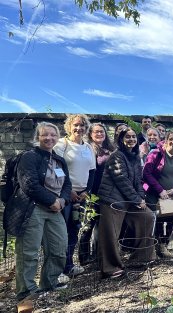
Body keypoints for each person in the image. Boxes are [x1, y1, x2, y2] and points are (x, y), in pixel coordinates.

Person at [14, 122, 72, 301]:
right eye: (44, 135)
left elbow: (67, 185)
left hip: (55, 210)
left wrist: (62, 200)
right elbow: (29, 184)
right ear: (37, 137)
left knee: (59, 248)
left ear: (58, 137)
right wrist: (51, 201)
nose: (49, 138)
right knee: (29, 252)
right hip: (33, 209)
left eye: (53, 135)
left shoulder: (59, 160)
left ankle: (49, 284)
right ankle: (27, 292)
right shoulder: (29, 157)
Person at [97, 127, 155, 278]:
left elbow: (138, 181)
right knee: (111, 233)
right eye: (127, 137)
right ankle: (111, 267)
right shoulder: (116, 156)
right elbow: (121, 180)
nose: (131, 139)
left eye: (133, 137)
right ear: (121, 139)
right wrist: (136, 199)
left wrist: (141, 198)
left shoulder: (135, 157)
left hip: (129, 199)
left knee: (147, 216)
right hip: (112, 199)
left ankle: (142, 256)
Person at [54, 114, 96, 277]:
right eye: (76, 125)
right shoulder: (62, 145)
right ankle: (57, 269)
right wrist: (68, 190)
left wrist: (86, 191)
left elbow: (92, 171)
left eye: (82, 126)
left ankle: (69, 265)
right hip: (65, 195)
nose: (79, 128)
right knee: (61, 230)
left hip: (81, 197)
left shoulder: (88, 148)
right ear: (69, 127)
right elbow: (56, 170)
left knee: (74, 229)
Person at [143, 131, 173, 255]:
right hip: (153, 193)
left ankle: (162, 247)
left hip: (169, 195)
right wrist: (160, 190)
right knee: (153, 220)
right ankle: (149, 249)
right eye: (171, 139)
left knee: (167, 221)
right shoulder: (156, 154)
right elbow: (146, 173)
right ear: (166, 140)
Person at [80, 123, 115, 264]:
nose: (99, 134)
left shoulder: (110, 149)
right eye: (96, 132)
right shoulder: (88, 149)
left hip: (107, 193)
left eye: (102, 131)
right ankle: (83, 257)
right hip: (92, 193)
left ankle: (97, 254)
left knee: (102, 226)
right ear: (90, 134)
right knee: (88, 226)